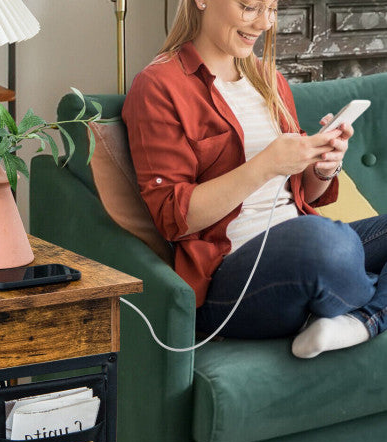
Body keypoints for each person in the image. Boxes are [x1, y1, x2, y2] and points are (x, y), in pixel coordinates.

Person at [123, 0, 387, 358]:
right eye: (249, 7)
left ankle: (361, 321)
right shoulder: (158, 86)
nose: (264, 23)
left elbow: (303, 193)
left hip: (301, 243)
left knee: (325, 242)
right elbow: (174, 218)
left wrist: (324, 166)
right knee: (328, 243)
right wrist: (266, 164)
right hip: (231, 276)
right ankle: (367, 299)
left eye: (272, 8)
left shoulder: (267, 77)